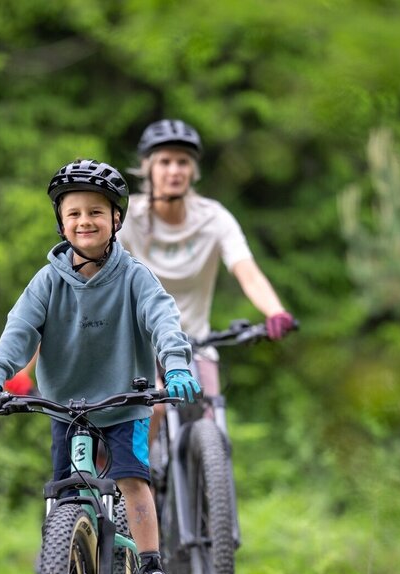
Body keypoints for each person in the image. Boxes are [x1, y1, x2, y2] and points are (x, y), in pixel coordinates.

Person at [0, 158, 201, 574]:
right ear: (61, 223)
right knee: (64, 490)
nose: (84, 221)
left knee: (132, 479)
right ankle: (64, 571)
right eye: (74, 213)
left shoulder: (135, 277)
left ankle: (151, 568)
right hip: (66, 405)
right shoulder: (48, 282)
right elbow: (19, 330)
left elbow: (163, 319)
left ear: (116, 219)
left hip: (126, 401)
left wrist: (177, 365)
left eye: (95, 212)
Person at [118, 119, 295, 402]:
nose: (174, 171)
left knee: (211, 415)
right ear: (148, 167)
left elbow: (248, 272)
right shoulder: (128, 218)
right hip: (139, 345)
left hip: (196, 344)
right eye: (164, 162)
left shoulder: (213, 218)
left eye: (183, 162)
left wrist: (275, 311)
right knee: (153, 410)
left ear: (193, 170)